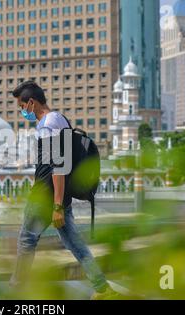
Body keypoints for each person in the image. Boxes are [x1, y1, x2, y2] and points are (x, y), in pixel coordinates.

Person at [10, 81, 117, 300]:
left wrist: (57, 205)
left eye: (22, 106)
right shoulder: (60, 119)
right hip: (61, 196)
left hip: (46, 197)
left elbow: (58, 166)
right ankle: (103, 289)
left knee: (26, 242)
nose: (21, 112)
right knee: (76, 245)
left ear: (31, 103)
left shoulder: (48, 125)